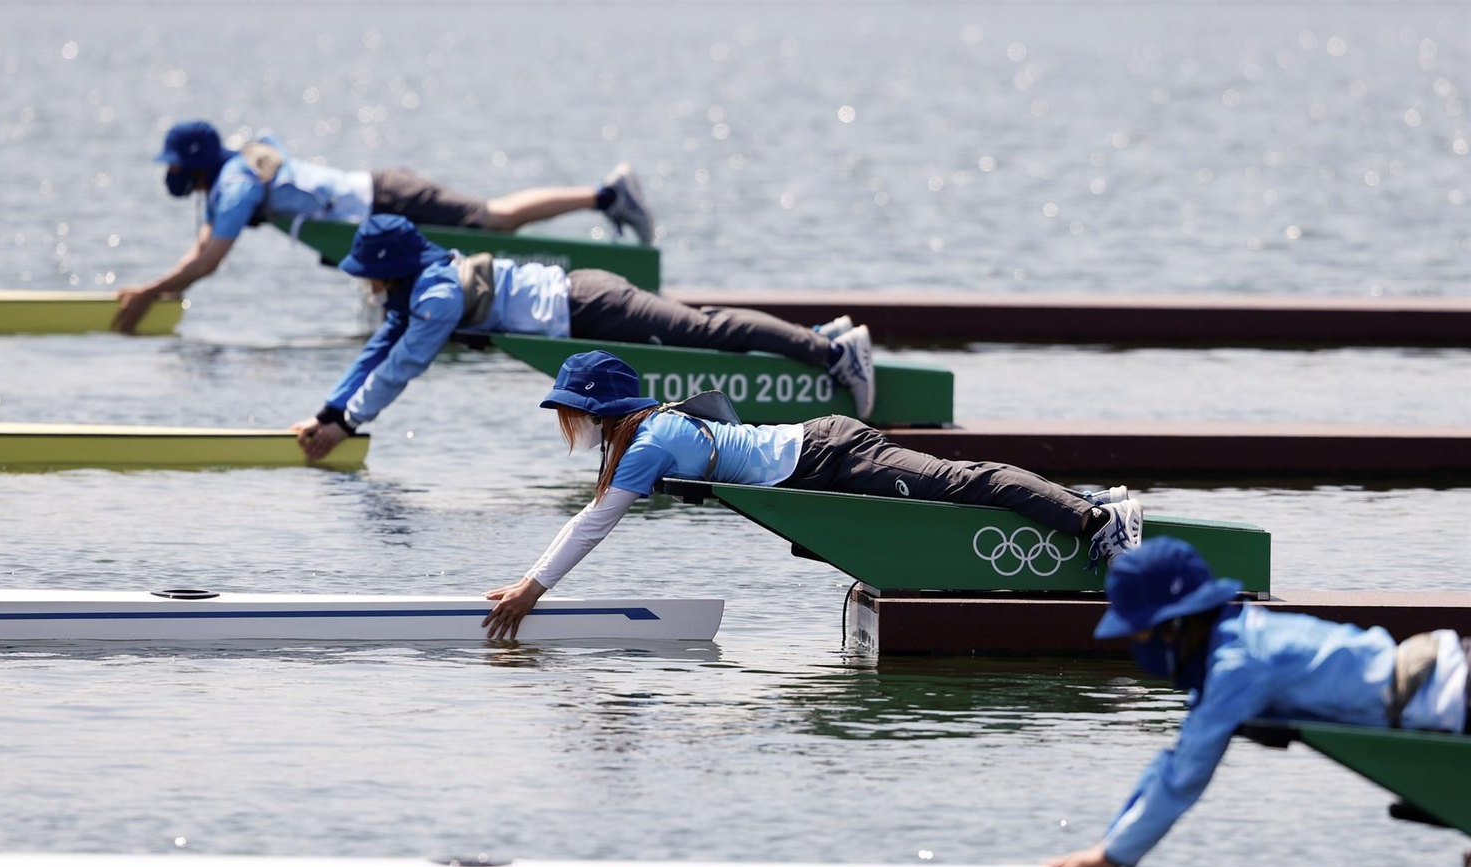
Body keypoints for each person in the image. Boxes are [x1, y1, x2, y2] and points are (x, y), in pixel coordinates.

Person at [478, 349, 1144, 638]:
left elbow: (595, 522)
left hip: (829, 455)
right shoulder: (638, 434)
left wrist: (532, 588)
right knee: (955, 488)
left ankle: (1097, 518)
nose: (566, 422)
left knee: (960, 483)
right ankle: (1086, 497)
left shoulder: (647, 441)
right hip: (815, 456)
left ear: (599, 408)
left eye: (570, 409)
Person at [1035, 538, 1469, 867]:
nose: (1135, 648)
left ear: (1175, 626)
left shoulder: (1238, 665)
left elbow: (1185, 778)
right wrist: (1105, 849)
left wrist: (1111, 860)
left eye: (1140, 635)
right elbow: (1173, 762)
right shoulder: (1231, 645)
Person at [291, 217, 881, 459]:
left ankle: (833, 352)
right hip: (582, 305)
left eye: (366, 271)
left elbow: (402, 367)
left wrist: (348, 425)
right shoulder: (416, 286)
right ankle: (820, 336)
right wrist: (332, 410)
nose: (362, 282)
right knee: (703, 329)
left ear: (390, 267)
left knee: (707, 331)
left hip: (592, 306)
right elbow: (377, 354)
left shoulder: (436, 298)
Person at [113, 119, 656, 332]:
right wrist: (161, 286)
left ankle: (607, 194)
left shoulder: (234, 187)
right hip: (379, 201)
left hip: (389, 198)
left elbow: (208, 260)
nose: (172, 176)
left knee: (495, 221)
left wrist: (147, 293)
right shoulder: (232, 171)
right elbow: (207, 240)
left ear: (195, 167)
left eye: (175, 167)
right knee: (492, 224)